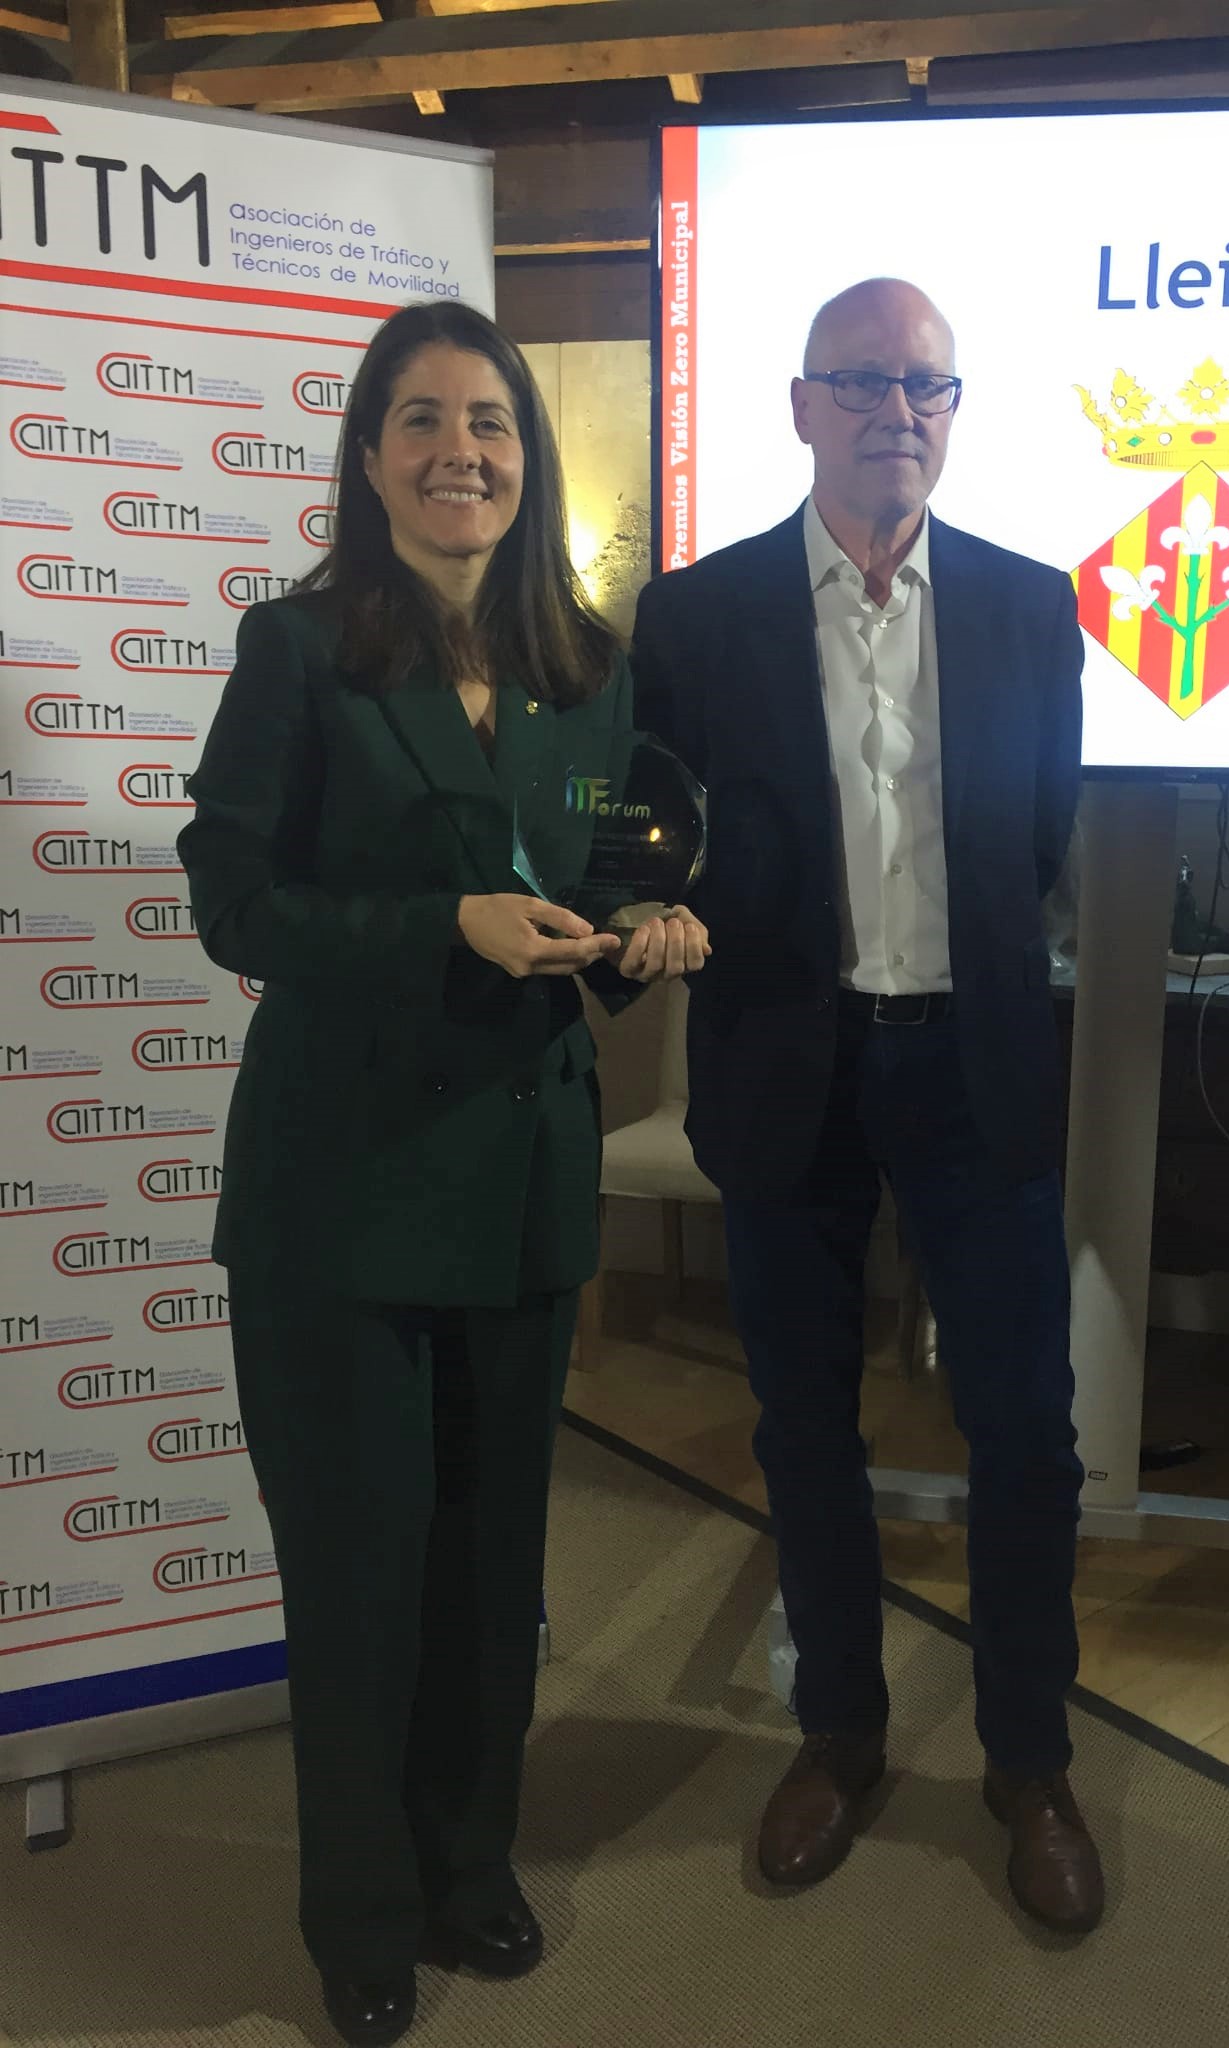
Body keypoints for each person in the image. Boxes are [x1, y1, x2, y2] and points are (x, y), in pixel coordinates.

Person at [179, 300, 707, 2048]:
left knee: (492, 1572)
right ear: (369, 454)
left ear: (527, 460)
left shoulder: (587, 669)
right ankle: (360, 1916)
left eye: (488, 422)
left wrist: (644, 926)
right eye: (420, 419)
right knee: (360, 1575)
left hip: (524, 1186)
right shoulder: (296, 650)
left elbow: (591, 877)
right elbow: (235, 903)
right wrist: (439, 928)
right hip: (340, 1197)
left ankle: (471, 1868)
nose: (458, 451)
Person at [628, 278, 1102, 1935]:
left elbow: (1035, 841)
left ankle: (1031, 1764)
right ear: (801, 407)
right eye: (863, 382)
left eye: (927, 386)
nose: (898, 411)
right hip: (788, 1064)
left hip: (975, 1069)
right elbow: (661, 837)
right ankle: (839, 1735)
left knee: (1026, 1433)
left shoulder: (1035, 608)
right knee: (804, 1428)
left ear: (952, 413)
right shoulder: (696, 618)